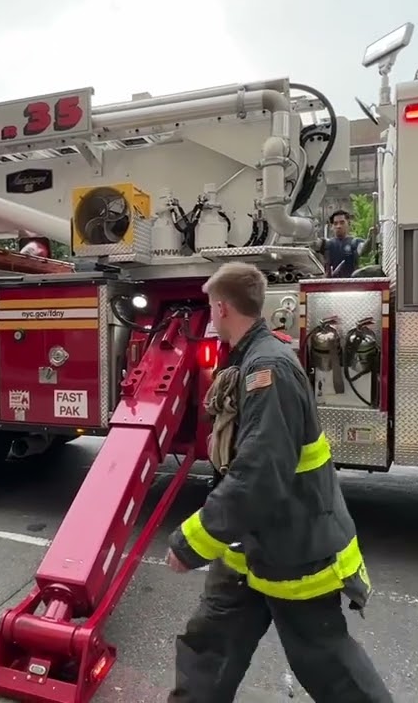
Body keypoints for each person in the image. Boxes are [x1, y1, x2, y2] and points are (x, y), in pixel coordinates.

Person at [165, 262, 392, 702]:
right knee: (209, 645)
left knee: (325, 661)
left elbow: (258, 477)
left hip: (293, 546)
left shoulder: (266, 367)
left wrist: (190, 542)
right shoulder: (255, 357)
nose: (210, 316)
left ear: (222, 307)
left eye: (212, 308)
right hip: (252, 546)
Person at [323, 209, 377, 278]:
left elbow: (363, 250)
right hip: (330, 284)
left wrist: (370, 238)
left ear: (348, 224)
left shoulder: (354, 242)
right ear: (332, 226)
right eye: (335, 223)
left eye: (342, 222)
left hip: (351, 284)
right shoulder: (327, 244)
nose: (338, 226)